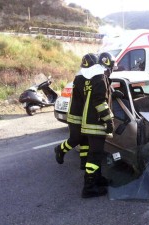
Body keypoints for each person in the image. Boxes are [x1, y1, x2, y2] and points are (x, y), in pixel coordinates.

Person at [80, 52, 116, 198]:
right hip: (95, 123)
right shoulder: (101, 78)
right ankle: (89, 187)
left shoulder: (95, 77)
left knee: (96, 154)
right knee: (94, 156)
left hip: (90, 122)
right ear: (108, 66)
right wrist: (108, 120)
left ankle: (98, 179)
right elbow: (100, 102)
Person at [54, 53, 99, 170]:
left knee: (84, 140)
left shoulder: (85, 77)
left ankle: (83, 162)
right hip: (76, 114)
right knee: (76, 138)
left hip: (83, 114)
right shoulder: (81, 78)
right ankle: (60, 149)